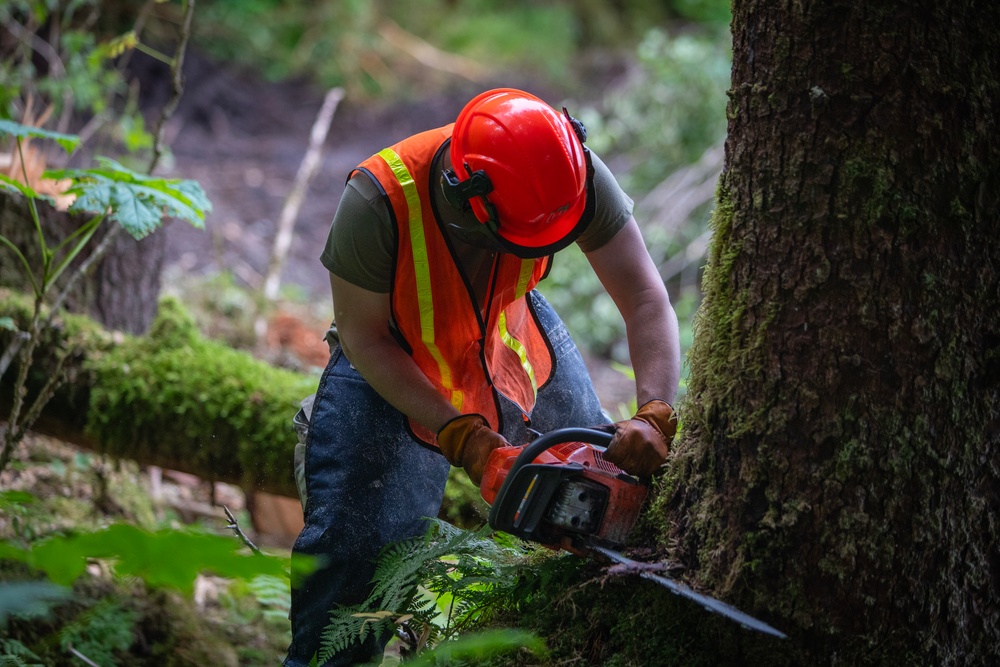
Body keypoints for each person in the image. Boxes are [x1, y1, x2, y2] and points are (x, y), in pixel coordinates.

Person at [284, 88, 681, 666]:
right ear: (468, 200)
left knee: (601, 497)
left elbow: (645, 295)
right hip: (392, 363)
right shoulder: (377, 200)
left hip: (509, 336)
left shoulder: (564, 172)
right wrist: (464, 437)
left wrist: (654, 411)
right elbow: (364, 336)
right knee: (354, 573)